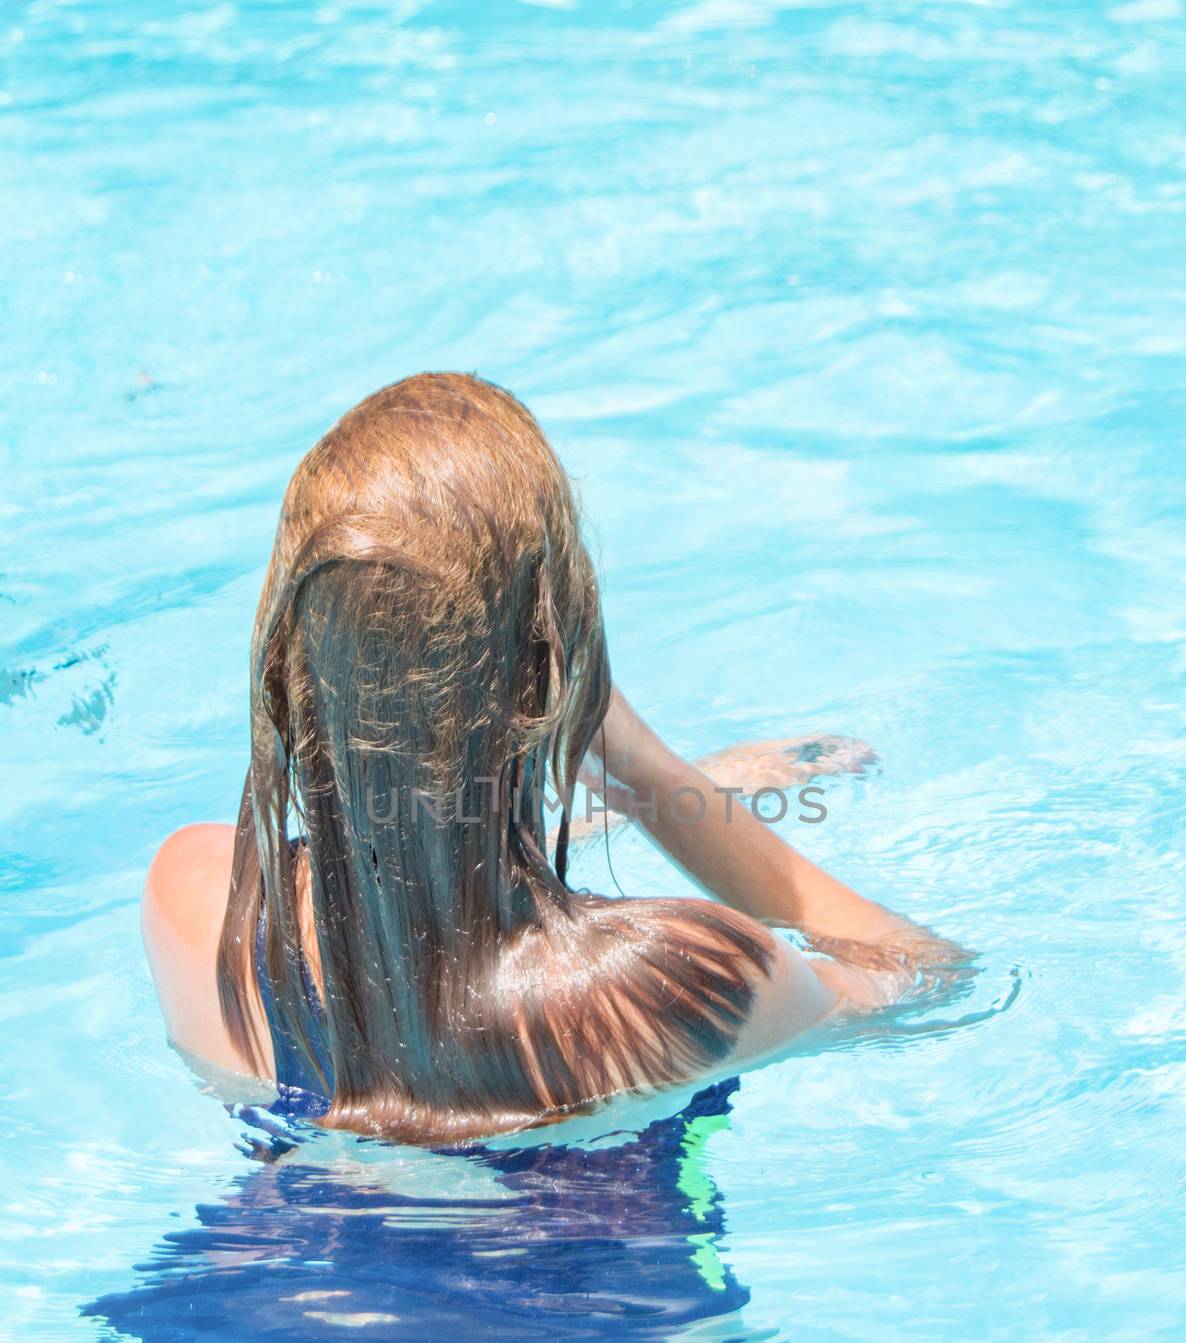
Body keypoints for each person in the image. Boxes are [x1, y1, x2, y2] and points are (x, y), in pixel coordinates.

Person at [142, 372, 958, 1142]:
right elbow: (922, 973)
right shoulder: (669, 987)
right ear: (555, 673)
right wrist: (647, 771)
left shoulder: (196, 897)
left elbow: (413, 879)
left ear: (292, 667)